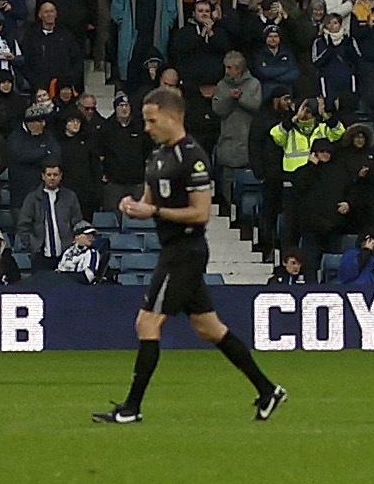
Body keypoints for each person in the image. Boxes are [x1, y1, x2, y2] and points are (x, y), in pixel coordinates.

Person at [98, 79, 283, 421]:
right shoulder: (156, 157)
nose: (147, 127)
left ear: (173, 117)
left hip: (185, 249)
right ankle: (268, 389)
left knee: (147, 322)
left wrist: (151, 211)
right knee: (209, 329)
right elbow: (149, 202)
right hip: (174, 248)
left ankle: (132, 408)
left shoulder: (193, 157)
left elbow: (201, 214)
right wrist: (132, 205)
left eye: (152, 120)